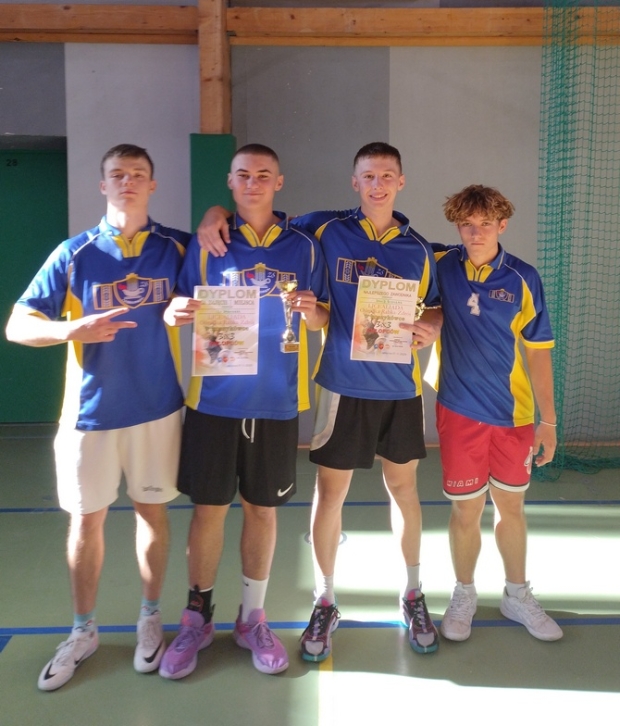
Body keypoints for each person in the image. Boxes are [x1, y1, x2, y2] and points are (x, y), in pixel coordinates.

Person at [199, 142, 443, 663]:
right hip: (341, 384)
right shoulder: (325, 229)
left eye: (387, 176)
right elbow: (259, 210)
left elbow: (438, 304)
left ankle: (413, 593)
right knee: (330, 495)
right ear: (354, 182)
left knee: (404, 491)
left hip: (400, 388)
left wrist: (432, 325)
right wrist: (213, 212)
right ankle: (325, 600)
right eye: (368, 176)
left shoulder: (420, 249)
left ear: (401, 182)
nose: (377, 184)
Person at [5, 144, 190, 690]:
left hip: (157, 408)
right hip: (89, 414)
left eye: (138, 174)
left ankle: (150, 617)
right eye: (117, 174)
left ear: (153, 185)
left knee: (152, 514)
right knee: (86, 521)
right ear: (102, 184)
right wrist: (71, 329)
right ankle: (83, 630)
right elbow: (17, 325)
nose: (127, 181)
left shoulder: (176, 247)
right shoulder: (74, 253)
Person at [159, 144, 328, 680]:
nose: (253, 183)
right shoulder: (209, 240)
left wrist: (314, 311)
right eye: (243, 175)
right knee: (208, 511)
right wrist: (176, 312)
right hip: (213, 400)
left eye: (263, 175)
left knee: (262, 510)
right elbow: (177, 303)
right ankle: (197, 617)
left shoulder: (305, 245)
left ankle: (252, 618)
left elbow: (323, 317)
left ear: (279, 182)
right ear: (230, 183)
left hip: (276, 402)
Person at [432, 184, 563, 643]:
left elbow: (539, 353)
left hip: (514, 416)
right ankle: (464, 593)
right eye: (467, 224)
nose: (476, 232)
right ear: (457, 226)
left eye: (485, 223)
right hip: (459, 412)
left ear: (502, 225)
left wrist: (549, 421)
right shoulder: (440, 264)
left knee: (511, 507)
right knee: (466, 510)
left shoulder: (524, 277)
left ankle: (516, 594)